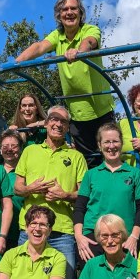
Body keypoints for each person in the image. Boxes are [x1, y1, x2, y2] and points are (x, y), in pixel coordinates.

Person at [16, 0, 116, 167]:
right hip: (78, 112)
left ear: (80, 12)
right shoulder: (58, 36)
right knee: (88, 161)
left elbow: (90, 41)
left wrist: (79, 51)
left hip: (101, 109)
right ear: (59, 15)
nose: (69, 12)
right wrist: (16, 63)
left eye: (73, 8)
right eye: (65, 9)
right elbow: (39, 46)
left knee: (110, 154)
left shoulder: (89, 29)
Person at [13, 105, 87, 269]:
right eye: (54, 119)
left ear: (67, 127)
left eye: (64, 122)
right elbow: (17, 189)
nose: (58, 124)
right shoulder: (29, 151)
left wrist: (64, 195)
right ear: (46, 123)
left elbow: (84, 194)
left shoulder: (76, 156)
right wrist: (30, 189)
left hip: (63, 231)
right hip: (30, 228)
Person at [74, 123, 140, 260]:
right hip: (94, 237)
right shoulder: (91, 174)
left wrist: (134, 237)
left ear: (121, 143)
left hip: (125, 237)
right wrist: (79, 237)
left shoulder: (135, 174)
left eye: (115, 141)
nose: (111, 146)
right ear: (99, 145)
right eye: (106, 142)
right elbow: (79, 207)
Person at [0, 129, 25, 250]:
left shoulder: (27, 173)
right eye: (5, 146)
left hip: (21, 232)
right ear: (0, 150)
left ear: (20, 149)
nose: (9, 149)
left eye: (14, 146)